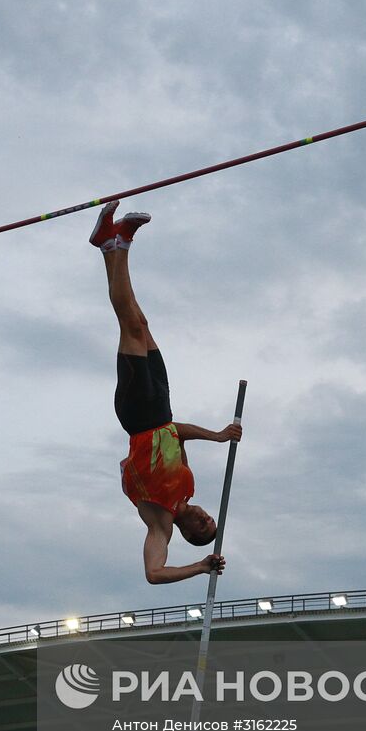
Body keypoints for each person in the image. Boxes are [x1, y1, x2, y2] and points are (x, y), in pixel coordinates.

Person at [89, 201, 242, 585]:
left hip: (138, 416)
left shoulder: (160, 523)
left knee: (131, 326)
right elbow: (178, 432)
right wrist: (219, 435)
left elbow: (154, 574)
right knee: (138, 321)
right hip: (161, 411)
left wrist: (201, 566)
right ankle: (110, 242)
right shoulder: (187, 484)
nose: (206, 518)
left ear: (189, 533)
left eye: (203, 526)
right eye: (210, 519)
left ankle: (115, 246)